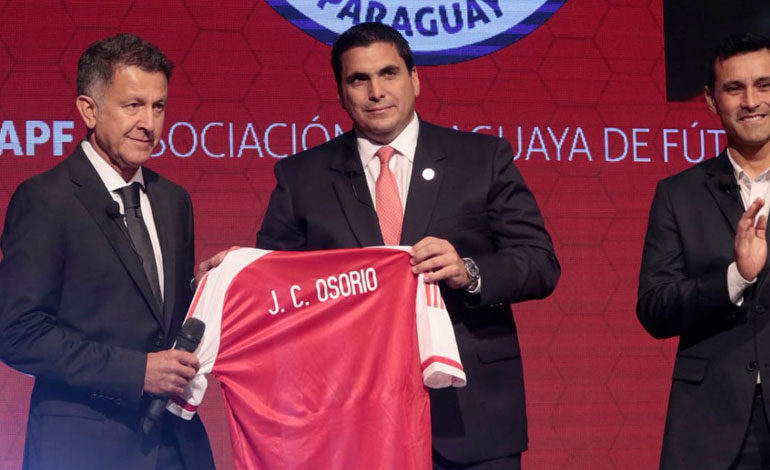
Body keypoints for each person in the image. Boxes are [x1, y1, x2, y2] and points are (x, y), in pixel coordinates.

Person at [253, 22, 560, 469]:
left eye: (389, 73)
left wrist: (469, 271)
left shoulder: (482, 159)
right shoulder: (302, 178)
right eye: (359, 79)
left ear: (415, 79)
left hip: (471, 417)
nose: (376, 91)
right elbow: (273, 287)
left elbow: (539, 262)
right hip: (350, 418)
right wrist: (237, 273)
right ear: (341, 92)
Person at [0, 33, 214, 470]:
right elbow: (18, 333)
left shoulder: (174, 200)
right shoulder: (46, 199)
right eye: (133, 105)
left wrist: (215, 283)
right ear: (89, 110)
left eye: (158, 106)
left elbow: (157, 316)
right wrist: (136, 372)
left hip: (175, 446)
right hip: (83, 445)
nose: (149, 123)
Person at [638, 33, 770, 470]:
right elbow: (655, 308)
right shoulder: (678, 194)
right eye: (734, 88)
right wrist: (736, 278)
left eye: (764, 85)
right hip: (714, 421)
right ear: (712, 101)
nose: (751, 101)